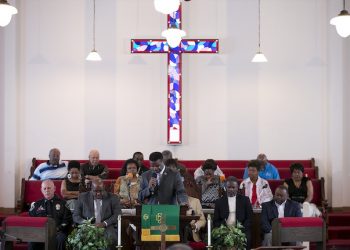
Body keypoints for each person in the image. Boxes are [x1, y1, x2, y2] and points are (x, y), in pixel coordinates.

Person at [73, 179, 122, 249]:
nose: (98, 193)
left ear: (104, 188)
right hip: (88, 226)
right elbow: (76, 216)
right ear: (91, 189)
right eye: (95, 191)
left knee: (111, 237)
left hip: (106, 226)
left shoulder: (113, 197)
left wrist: (104, 223)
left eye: (101, 191)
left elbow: (118, 214)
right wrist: (87, 223)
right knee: (81, 240)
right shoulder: (82, 197)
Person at [29, 180, 72, 250]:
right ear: (41, 190)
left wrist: (58, 228)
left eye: (49, 188)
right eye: (44, 188)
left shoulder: (63, 204)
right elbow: (32, 220)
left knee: (61, 239)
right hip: (41, 232)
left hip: (58, 231)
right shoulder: (37, 204)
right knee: (32, 241)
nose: (47, 190)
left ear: (54, 189)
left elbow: (67, 220)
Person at [213, 176, 253, 250]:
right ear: (225, 188)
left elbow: (249, 219)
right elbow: (216, 221)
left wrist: (240, 230)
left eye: (233, 187)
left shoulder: (245, 200)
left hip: (241, 229)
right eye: (229, 187)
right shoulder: (219, 202)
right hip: (224, 230)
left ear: (237, 188)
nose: (231, 189)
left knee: (247, 237)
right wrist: (224, 229)